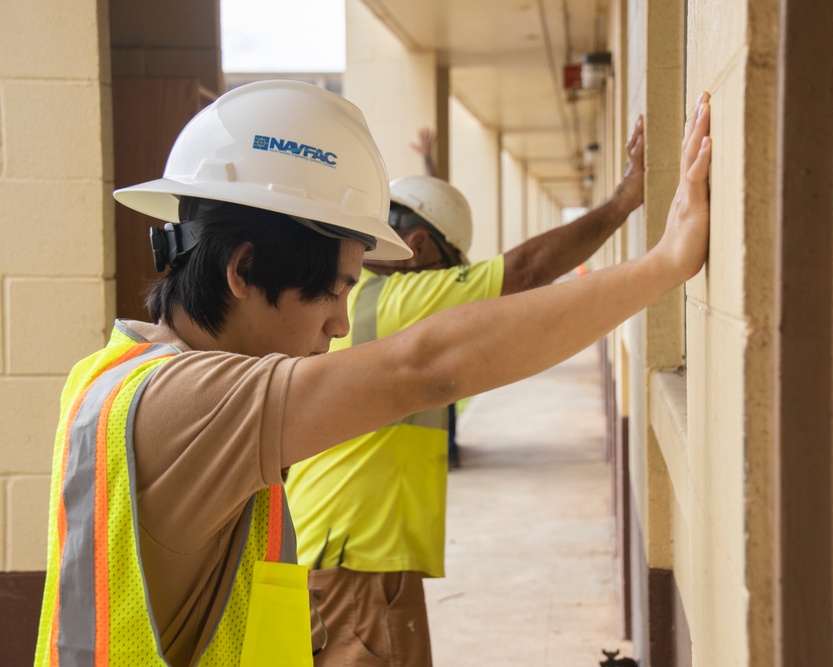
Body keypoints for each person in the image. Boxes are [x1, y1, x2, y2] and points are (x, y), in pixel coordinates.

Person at [34, 79, 711, 667]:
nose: (338, 322)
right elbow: (427, 367)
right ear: (242, 269)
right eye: (332, 290)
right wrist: (665, 262)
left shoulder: (112, 374)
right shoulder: (190, 401)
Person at [285, 119, 647, 667]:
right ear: (419, 246)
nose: (453, 283)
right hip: (353, 554)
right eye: (450, 267)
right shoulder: (393, 301)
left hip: (358, 546)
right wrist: (625, 200)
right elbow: (522, 272)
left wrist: (430, 173)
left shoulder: (360, 298)